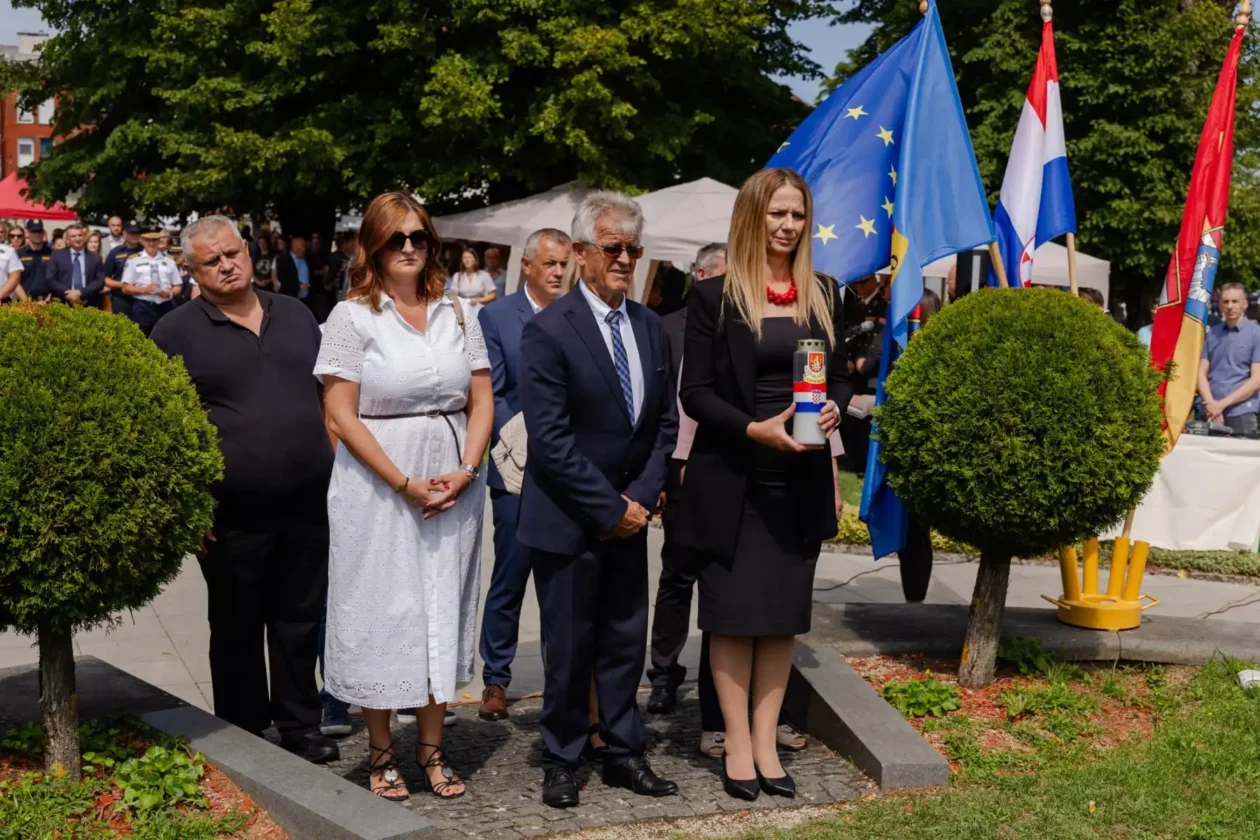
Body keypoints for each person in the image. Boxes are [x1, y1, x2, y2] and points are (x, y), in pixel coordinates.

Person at [674, 168, 850, 802]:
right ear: (753, 218)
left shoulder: (824, 292)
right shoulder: (714, 297)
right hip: (734, 479)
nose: (788, 226)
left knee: (779, 621)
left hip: (798, 479)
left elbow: (843, 377)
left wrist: (832, 406)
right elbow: (694, 395)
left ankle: (768, 740)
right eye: (777, 214)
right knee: (732, 617)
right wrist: (752, 429)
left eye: (797, 216)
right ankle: (738, 747)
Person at [317, 191, 492, 803]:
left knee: (442, 605)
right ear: (375, 246)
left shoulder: (460, 313)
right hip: (379, 484)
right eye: (398, 239)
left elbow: (482, 398)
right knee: (383, 609)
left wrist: (467, 470)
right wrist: (401, 480)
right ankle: (382, 751)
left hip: (452, 477)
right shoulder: (351, 317)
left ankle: (432, 748)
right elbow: (339, 410)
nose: (411, 248)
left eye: (419, 237)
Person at [150, 216, 339, 765]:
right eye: (212, 260)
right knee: (235, 624)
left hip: (307, 503)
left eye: (233, 252)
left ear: (250, 251)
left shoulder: (298, 315)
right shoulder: (174, 332)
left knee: (299, 620)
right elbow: (166, 428)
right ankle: (244, 730)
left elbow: (328, 397)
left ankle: (301, 723)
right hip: (230, 514)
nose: (227, 264)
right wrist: (188, 509)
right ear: (193, 271)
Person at [519, 191, 679, 808]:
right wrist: (609, 508)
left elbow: (663, 424)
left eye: (634, 249)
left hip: (630, 521)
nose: (625, 259)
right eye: (613, 247)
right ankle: (561, 758)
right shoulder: (548, 331)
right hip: (569, 521)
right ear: (582, 253)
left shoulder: (647, 326)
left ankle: (622, 751)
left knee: (622, 641)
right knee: (568, 647)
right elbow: (551, 440)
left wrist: (636, 501)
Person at [476, 227, 572, 722]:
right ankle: (496, 678)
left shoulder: (578, 312)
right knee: (511, 573)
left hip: (569, 467)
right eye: (550, 264)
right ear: (527, 266)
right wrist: (523, 440)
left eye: (564, 265)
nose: (558, 272)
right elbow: (490, 390)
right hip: (516, 464)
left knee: (564, 577)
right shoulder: (495, 315)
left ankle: (564, 675)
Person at [1198, 282, 1260, 437]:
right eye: (1225, 302)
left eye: (1235, 301)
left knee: (1241, 461)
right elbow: (1200, 373)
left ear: (1245, 304)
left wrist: (1221, 405)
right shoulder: (1212, 334)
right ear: (1219, 305)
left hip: (1241, 413)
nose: (1230, 306)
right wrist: (1211, 404)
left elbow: (1256, 380)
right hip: (1211, 411)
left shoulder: (1256, 335)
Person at [120, 228, 182, 335]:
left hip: (165, 305)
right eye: (148, 240)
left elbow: (178, 285)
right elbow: (125, 287)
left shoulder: (169, 260)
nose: (152, 243)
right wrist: (143, 290)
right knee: (143, 340)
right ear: (142, 241)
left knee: (165, 339)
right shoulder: (133, 260)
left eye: (155, 240)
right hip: (143, 307)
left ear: (159, 241)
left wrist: (170, 293)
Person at [48, 222, 107, 308]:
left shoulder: (95, 258)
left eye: (80, 235)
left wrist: (80, 292)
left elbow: (100, 281)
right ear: (67, 240)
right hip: (63, 303)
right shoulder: (57, 255)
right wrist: (68, 293)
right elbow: (50, 279)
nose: (77, 238)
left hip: (89, 304)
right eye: (73, 236)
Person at [104, 222, 144, 323]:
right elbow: (105, 278)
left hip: (142, 298)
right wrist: (122, 285)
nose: (134, 236)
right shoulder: (115, 252)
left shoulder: (147, 251)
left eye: (137, 233)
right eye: (131, 233)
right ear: (124, 234)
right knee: (122, 328)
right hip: (121, 298)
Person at [449, 247, 496, 316]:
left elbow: (492, 295)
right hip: (463, 310)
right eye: (464, 258)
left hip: (480, 309)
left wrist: (477, 300)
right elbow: (453, 295)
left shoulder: (483, 275)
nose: (467, 260)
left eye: (470, 257)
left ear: (475, 260)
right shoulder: (458, 276)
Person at [17, 221, 55, 303]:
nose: (37, 234)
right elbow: (15, 281)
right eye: (34, 231)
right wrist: (28, 303)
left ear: (43, 232)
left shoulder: (53, 254)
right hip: (24, 302)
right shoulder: (18, 254)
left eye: (40, 231)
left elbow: (58, 278)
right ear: (27, 233)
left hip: (49, 301)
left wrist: (48, 299)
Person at [275, 233, 311, 300]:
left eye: (304, 247)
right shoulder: (282, 259)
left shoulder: (308, 257)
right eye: (301, 247)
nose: (303, 249)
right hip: (290, 297)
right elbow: (281, 277)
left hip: (307, 298)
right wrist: (298, 285)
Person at [0, 226, 25, 302]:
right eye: (12, 236)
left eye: (19, 236)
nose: (16, 238)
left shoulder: (9, 251)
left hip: (3, 299)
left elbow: (14, 278)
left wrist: (27, 302)